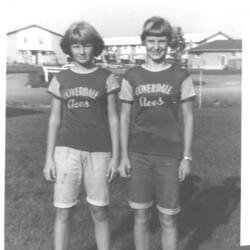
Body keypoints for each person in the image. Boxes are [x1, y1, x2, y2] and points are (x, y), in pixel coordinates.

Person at [118, 16, 196, 250]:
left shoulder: (180, 75)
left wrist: (187, 157)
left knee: (168, 217)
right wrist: (123, 156)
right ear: (144, 42)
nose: (156, 46)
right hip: (139, 154)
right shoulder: (132, 75)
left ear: (168, 42)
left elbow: (189, 117)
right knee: (141, 216)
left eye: (161, 41)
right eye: (151, 40)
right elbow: (124, 117)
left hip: (169, 156)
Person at [43, 21, 119, 250]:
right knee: (64, 211)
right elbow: (54, 119)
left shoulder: (107, 78)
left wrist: (116, 156)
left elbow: (114, 118)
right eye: (76, 46)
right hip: (66, 152)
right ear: (69, 48)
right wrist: (48, 158)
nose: (82, 51)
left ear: (95, 47)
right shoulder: (60, 80)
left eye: (86, 45)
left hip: (99, 152)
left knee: (99, 210)